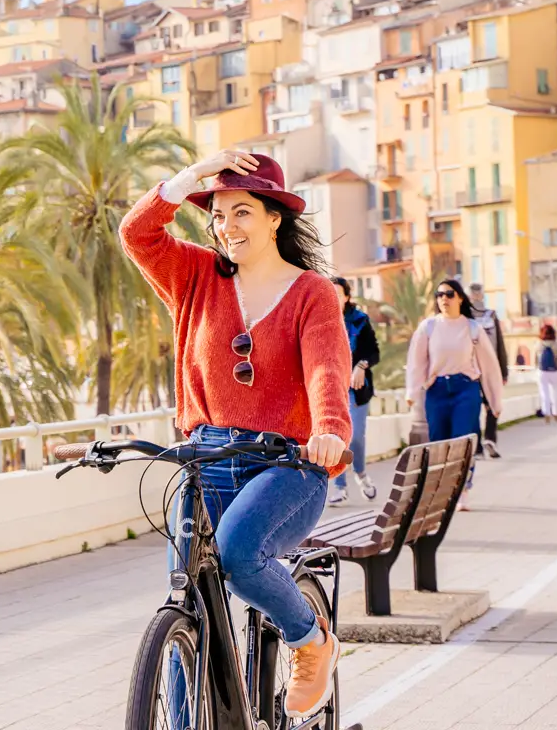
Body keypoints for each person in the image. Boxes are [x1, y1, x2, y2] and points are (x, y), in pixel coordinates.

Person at [120, 148, 351, 717]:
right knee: (187, 597)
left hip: (287, 466)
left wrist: (328, 430)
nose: (226, 227)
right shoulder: (196, 276)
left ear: (275, 217)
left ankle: (310, 639)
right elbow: (137, 233)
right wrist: (192, 176)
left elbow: (327, 369)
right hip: (204, 459)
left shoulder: (311, 293)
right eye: (218, 215)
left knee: (238, 552)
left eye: (241, 212)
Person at [404, 278, 506, 510]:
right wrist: (412, 391)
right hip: (437, 391)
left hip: (465, 390)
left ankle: (462, 491)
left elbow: (489, 367)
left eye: (449, 294)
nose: (444, 299)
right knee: (439, 443)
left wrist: (495, 399)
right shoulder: (428, 327)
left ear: (460, 297)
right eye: (439, 295)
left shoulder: (472, 328)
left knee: (463, 441)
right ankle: (442, 491)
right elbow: (416, 362)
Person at [330, 277, 381, 505]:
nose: (333, 297)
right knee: (336, 438)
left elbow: (374, 352)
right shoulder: (320, 319)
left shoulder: (360, 321)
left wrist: (361, 366)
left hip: (356, 390)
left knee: (356, 437)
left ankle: (361, 474)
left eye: (338, 293)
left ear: (347, 297)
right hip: (330, 391)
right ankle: (340, 487)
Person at [466, 283, 509, 458]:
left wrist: (503, 371)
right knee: (485, 405)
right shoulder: (475, 317)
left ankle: (482, 444)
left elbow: (499, 345)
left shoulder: (470, 318)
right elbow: (500, 345)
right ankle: (487, 440)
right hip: (478, 368)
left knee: (484, 405)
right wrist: (503, 370)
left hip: (478, 368)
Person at [535, 324, 557, 422]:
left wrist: (536, 369)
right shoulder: (556, 345)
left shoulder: (538, 344)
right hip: (554, 371)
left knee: (544, 394)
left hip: (542, 372)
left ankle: (547, 414)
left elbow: (535, 360)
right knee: (555, 393)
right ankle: (556, 414)